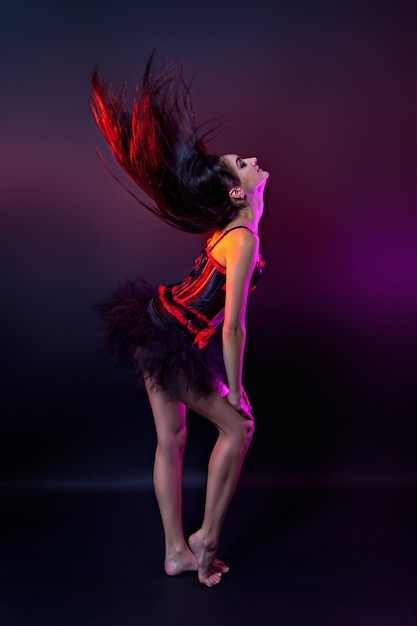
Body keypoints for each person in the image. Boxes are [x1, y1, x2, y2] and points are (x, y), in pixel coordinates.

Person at [90, 53, 269, 587]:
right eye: (244, 163)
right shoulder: (242, 239)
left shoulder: (231, 226)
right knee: (239, 426)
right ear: (238, 191)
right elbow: (232, 327)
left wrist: (247, 195)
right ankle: (205, 540)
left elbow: (245, 204)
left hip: (154, 324)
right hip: (169, 339)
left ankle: (174, 552)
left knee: (170, 440)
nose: (252, 160)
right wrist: (234, 389)